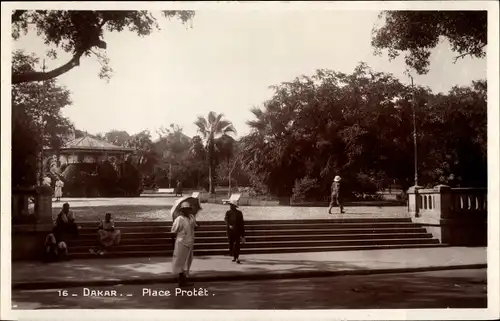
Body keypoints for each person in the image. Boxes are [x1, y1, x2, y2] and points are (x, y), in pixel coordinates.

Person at [171, 202, 198, 286]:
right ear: (182, 210)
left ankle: (184, 279)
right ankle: (181, 280)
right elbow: (173, 231)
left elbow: (194, 226)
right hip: (181, 242)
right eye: (185, 209)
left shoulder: (191, 217)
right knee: (180, 261)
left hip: (189, 241)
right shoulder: (179, 219)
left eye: (188, 209)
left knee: (188, 261)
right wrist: (173, 244)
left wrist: (196, 226)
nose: (186, 211)